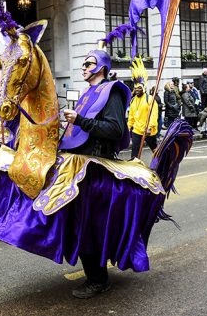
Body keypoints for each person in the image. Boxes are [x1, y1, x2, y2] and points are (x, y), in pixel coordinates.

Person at [62, 49, 131, 298]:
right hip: (79, 169)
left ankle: (98, 279)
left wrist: (80, 120)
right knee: (77, 224)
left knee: (88, 226)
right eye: (83, 64)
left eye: (88, 63)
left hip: (95, 172)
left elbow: (114, 129)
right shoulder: (88, 93)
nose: (83, 67)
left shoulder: (110, 91)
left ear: (101, 67)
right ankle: (95, 274)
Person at [127, 58, 158, 158]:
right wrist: (128, 127)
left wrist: (150, 127)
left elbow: (153, 114)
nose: (137, 90)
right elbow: (131, 116)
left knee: (155, 149)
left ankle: (161, 161)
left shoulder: (150, 99)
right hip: (136, 130)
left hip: (148, 130)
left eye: (139, 88)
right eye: (135, 88)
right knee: (134, 152)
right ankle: (134, 166)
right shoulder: (132, 100)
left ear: (143, 89)